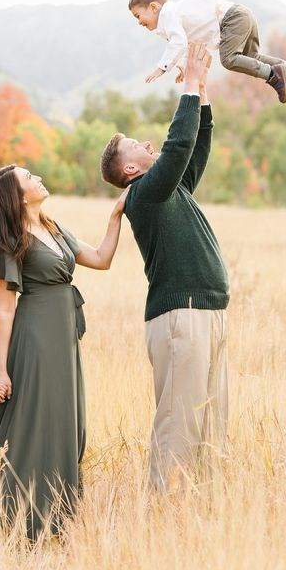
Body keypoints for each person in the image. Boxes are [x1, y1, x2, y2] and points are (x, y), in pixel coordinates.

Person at [100, 43, 228, 492]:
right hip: (180, 317)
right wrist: (189, 83)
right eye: (138, 145)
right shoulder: (145, 194)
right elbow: (176, 148)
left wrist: (204, 94)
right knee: (178, 423)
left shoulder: (170, 189)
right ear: (131, 168)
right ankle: (162, 516)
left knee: (210, 421)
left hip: (206, 311)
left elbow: (193, 152)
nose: (147, 142)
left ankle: (199, 516)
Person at [0, 165, 127, 539]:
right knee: (32, 421)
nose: (38, 178)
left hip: (63, 337)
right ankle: (9, 514)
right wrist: (0, 370)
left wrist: (115, 215)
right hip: (36, 338)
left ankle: (57, 512)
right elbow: (6, 308)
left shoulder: (54, 229)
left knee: (66, 419)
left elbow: (101, 258)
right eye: (29, 177)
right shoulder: (12, 240)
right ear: (18, 195)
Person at [129, 0, 286, 104]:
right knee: (251, 57)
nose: (139, 22)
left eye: (138, 16)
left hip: (231, 19)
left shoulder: (168, 14)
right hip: (240, 14)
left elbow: (178, 42)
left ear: (153, 7)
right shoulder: (174, 17)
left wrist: (162, 67)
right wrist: (183, 67)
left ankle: (273, 76)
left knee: (229, 59)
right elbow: (185, 44)